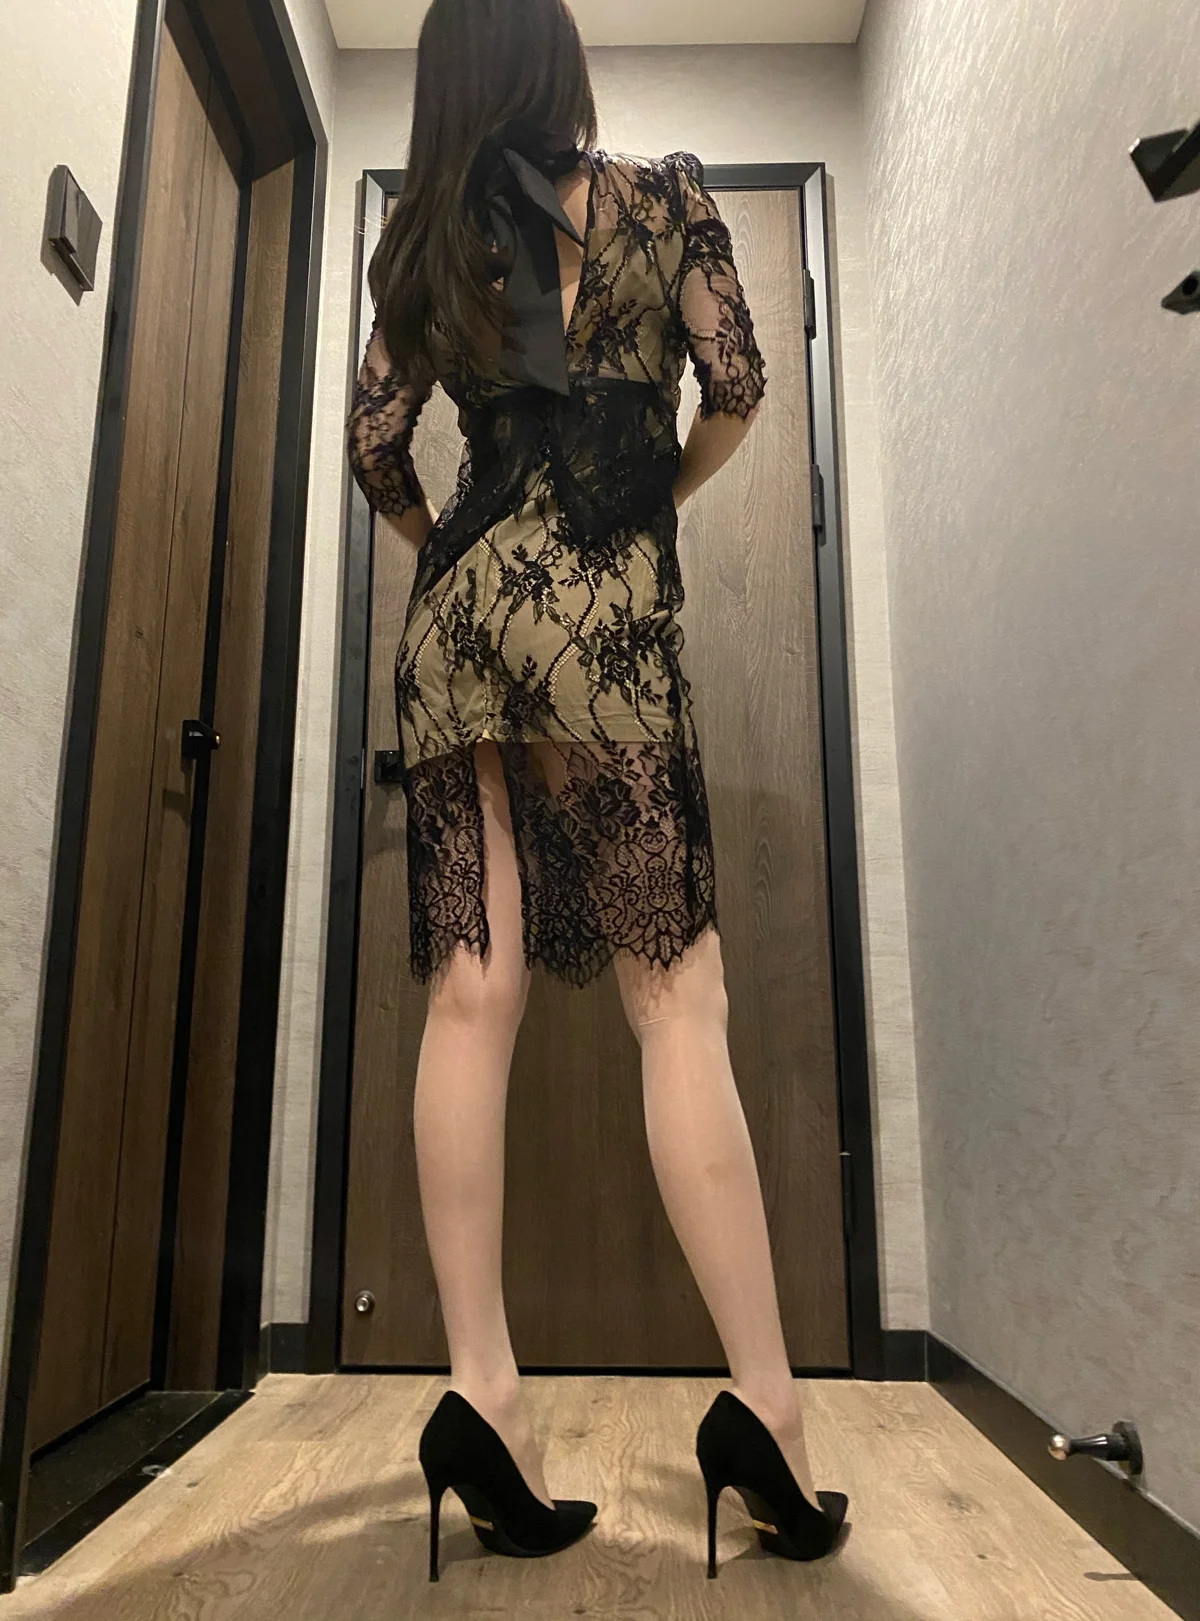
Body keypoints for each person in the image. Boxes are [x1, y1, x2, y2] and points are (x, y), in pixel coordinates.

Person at [346, 0, 847, 1582]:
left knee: (470, 999)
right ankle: (767, 1407)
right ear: (559, 62)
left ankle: (482, 1395)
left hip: (457, 622)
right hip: (604, 612)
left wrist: (459, 559)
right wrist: (643, 511)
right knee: (676, 1001)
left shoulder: (426, 242)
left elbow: (376, 450)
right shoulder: (664, 199)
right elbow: (740, 383)